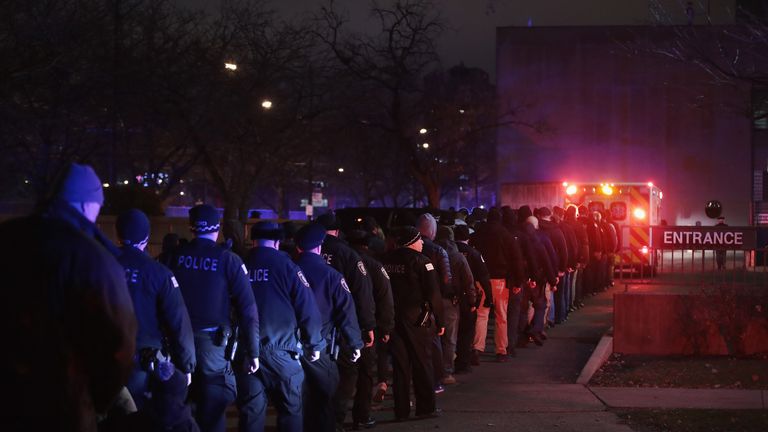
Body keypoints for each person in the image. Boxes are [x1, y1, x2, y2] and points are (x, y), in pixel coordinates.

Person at [0, 163, 137, 432]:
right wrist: (93, 400)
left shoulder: (7, 238)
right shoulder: (93, 258)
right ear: (88, 205)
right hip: (61, 408)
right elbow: (118, 344)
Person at [169, 204, 260, 432]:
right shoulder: (228, 260)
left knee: (180, 409)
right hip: (213, 347)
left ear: (191, 228)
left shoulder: (174, 257)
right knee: (213, 409)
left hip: (176, 345)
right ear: (217, 228)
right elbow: (248, 309)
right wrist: (253, 351)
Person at [238, 221, 324, 432]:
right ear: (277, 242)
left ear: (253, 240)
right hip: (280, 350)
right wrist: (315, 344)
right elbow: (307, 308)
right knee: (290, 408)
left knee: (251, 410)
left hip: (246, 350)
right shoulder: (287, 267)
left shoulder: (240, 264)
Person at [115, 209, 196, 410]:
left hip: (102, 357)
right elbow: (178, 320)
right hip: (141, 362)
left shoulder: (99, 265)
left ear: (118, 235)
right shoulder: (159, 273)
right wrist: (187, 364)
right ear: (146, 238)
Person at [294, 223, 364, 432]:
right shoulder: (331, 276)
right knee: (324, 400)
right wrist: (354, 344)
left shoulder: (289, 270)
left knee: (295, 403)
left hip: (289, 347)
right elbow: (346, 313)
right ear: (320, 246)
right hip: (322, 347)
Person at [315, 212, 376, 430]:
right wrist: (367, 326)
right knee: (346, 374)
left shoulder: (305, 253)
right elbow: (362, 293)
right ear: (337, 231)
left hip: (309, 327)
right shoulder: (347, 255)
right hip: (340, 326)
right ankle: (336, 420)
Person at [381, 227, 444, 421]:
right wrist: (439, 321)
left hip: (394, 318)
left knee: (400, 366)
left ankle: (401, 410)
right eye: (419, 240)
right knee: (422, 363)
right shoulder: (423, 262)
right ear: (412, 241)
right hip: (418, 319)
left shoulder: (387, 260)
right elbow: (433, 294)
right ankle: (425, 407)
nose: (423, 243)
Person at [346, 229, 395, 428]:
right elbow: (385, 298)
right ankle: (361, 416)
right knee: (366, 373)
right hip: (368, 326)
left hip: (342, 325)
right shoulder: (374, 265)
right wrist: (385, 327)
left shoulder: (342, 260)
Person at [415, 213, 452, 389]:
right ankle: (437, 378)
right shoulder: (438, 251)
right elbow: (446, 279)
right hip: (433, 301)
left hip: (412, 302)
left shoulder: (406, 250)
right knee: (436, 341)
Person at [435, 224, 475, 383]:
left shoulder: (432, 253)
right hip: (451, 300)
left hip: (432, 300)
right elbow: (468, 280)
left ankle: (433, 370)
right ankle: (446, 372)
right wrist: (472, 300)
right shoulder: (458, 257)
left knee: (433, 337)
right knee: (450, 338)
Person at [452, 225, 490, 372]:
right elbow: (483, 275)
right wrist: (488, 296)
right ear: (468, 237)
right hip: (467, 295)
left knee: (452, 329)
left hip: (450, 295)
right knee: (467, 330)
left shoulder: (447, 252)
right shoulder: (473, 253)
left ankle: (451, 359)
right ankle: (464, 360)